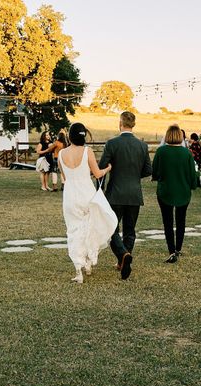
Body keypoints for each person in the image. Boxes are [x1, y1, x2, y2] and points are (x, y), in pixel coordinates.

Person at [99, 111, 152, 280]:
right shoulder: (142, 146)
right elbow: (148, 170)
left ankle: (123, 255)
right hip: (134, 194)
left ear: (120, 123)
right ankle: (124, 260)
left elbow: (101, 167)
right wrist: (134, 176)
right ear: (133, 124)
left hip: (115, 193)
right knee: (130, 230)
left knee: (110, 229)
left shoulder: (112, 143)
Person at [58, 123, 113, 283]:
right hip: (86, 194)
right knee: (90, 228)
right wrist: (108, 169)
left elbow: (64, 177)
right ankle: (88, 263)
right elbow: (97, 174)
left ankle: (78, 271)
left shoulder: (61, 154)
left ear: (70, 136)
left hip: (70, 195)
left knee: (74, 231)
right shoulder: (87, 151)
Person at [152, 124, 198, 263]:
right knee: (181, 220)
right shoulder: (186, 153)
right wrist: (192, 185)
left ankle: (171, 251)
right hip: (183, 192)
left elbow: (155, 172)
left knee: (168, 222)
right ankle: (178, 248)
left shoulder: (161, 152)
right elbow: (192, 175)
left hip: (165, 191)